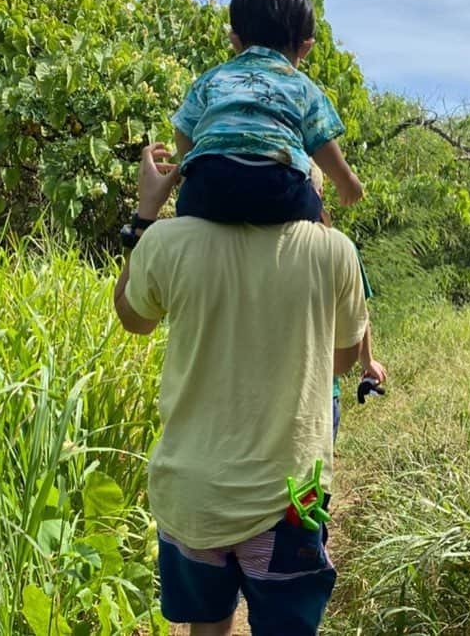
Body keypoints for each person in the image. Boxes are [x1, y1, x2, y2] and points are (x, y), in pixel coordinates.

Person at [113, 143, 369, 636]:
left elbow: (132, 316)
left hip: (191, 499)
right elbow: (339, 361)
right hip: (289, 503)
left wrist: (146, 213)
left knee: (206, 629)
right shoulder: (334, 251)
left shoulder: (169, 241)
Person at [172, 0, 363, 225]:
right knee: (317, 212)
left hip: (207, 188)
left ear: (235, 41)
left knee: (192, 198)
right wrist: (346, 180)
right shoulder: (303, 87)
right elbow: (321, 141)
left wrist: (189, 173)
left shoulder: (212, 78)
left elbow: (183, 129)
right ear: (306, 48)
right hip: (279, 191)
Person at [307, 162, 386, 441]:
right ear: (320, 192)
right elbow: (357, 313)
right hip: (320, 393)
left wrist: (368, 361)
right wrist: (366, 361)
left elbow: (357, 312)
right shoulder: (339, 248)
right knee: (311, 481)